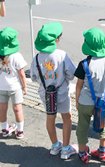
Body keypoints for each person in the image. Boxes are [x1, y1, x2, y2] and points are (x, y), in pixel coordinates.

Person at [30, 22, 77, 159]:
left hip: (46, 94)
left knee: (50, 117)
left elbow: (33, 77)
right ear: (56, 39)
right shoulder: (61, 55)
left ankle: (55, 145)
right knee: (66, 117)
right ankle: (66, 148)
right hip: (61, 92)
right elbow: (71, 73)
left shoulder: (37, 58)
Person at [74, 28, 105, 163]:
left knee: (83, 126)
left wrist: (77, 100)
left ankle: (82, 153)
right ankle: (102, 152)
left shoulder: (84, 64)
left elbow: (79, 85)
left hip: (85, 100)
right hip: (101, 100)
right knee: (101, 126)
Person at [0, 27, 27, 139]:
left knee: (2, 108)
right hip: (15, 86)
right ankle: (20, 131)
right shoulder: (16, 56)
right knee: (17, 108)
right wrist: (25, 87)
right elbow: (21, 74)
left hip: (1, 86)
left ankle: (4, 129)